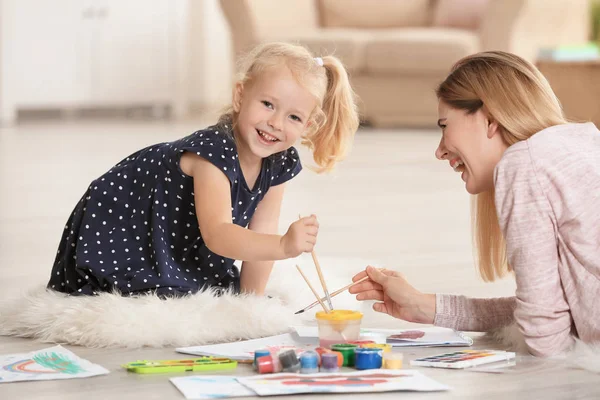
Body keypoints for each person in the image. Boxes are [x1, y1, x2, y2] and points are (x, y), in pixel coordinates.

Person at [48, 42, 359, 297]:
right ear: (240, 96)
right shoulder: (214, 151)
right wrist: (282, 246)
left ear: (308, 124)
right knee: (147, 294)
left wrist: (250, 305)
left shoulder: (278, 161)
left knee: (214, 290)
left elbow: (262, 232)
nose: (276, 123)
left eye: (294, 117)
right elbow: (218, 235)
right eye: (267, 104)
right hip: (124, 220)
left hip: (174, 234)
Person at [350, 51, 600, 357]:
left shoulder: (525, 164)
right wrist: (422, 305)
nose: (439, 151)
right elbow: (545, 310)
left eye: (444, 125)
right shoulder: (581, 146)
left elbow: (546, 340)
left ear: (490, 119)